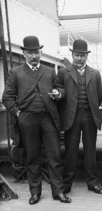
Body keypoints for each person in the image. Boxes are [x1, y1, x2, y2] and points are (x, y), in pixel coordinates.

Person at [2, 36, 71, 204]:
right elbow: (7, 97)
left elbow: (60, 88)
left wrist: (58, 93)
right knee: (32, 157)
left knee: (54, 156)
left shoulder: (49, 71)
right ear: (24, 53)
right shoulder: (15, 72)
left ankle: (58, 192)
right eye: (30, 53)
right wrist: (18, 113)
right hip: (27, 119)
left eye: (37, 52)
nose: (34, 56)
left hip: (48, 118)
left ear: (41, 52)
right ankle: (35, 193)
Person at [57, 39, 102, 194]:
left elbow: (98, 96)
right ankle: (67, 183)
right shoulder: (64, 72)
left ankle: (93, 182)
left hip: (90, 116)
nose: (79, 58)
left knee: (91, 150)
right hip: (72, 116)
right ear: (72, 55)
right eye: (76, 55)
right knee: (71, 151)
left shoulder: (95, 74)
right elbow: (60, 91)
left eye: (82, 55)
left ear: (86, 56)